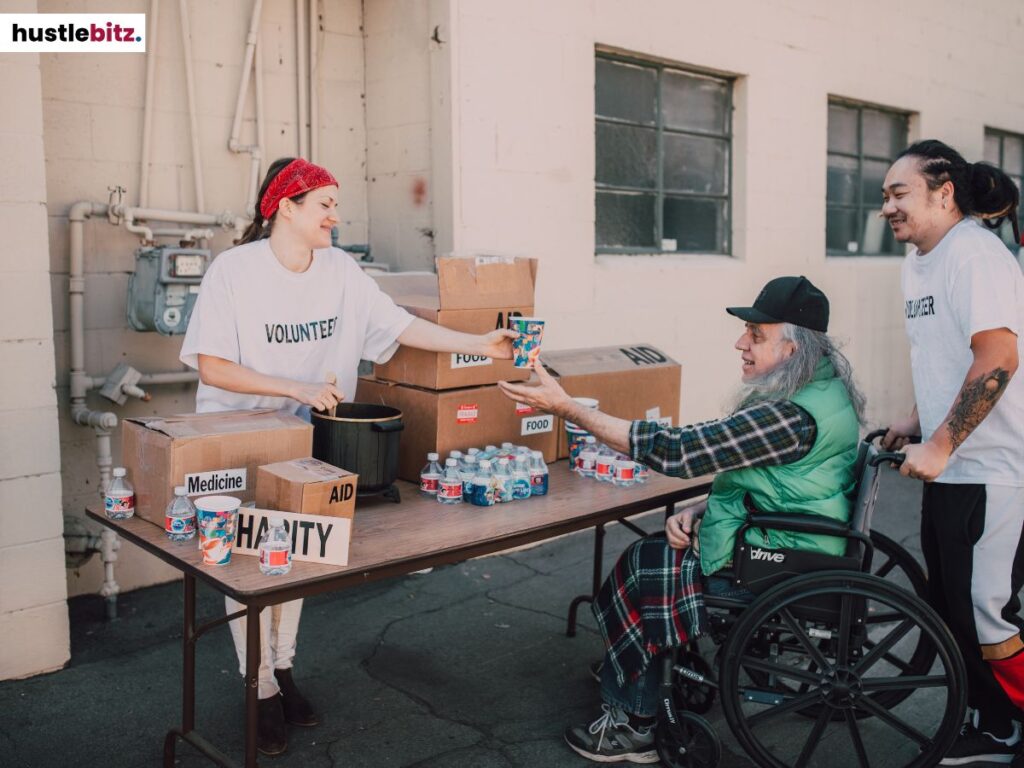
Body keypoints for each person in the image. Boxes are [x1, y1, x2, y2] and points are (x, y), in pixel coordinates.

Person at [180, 157, 516, 756]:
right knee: (244, 567)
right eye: (325, 204)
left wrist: (479, 344)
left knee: (295, 554)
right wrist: (296, 387)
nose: (336, 215)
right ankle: (258, 688)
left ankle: (283, 669)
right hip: (236, 438)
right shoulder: (234, 270)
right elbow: (213, 366)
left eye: (336, 204)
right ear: (286, 207)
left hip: (306, 442)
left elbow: (400, 326)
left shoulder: (341, 270)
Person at [498, 276, 864, 764]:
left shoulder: (789, 417)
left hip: (778, 558)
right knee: (653, 551)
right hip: (791, 538)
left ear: (792, 348)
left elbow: (677, 451)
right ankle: (635, 665)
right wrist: (703, 509)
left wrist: (567, 408)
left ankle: (635, 721)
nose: (740, 343)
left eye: (756, 335)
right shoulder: (822, 389)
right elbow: (784, 483)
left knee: (648, 567)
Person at [879, 139, 1024, 766]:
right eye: (885, 195)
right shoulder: (918, 261)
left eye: (899, 193)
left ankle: (1011, 721)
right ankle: (994, 725)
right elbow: (941, 353)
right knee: (951, 607)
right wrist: (917, 419)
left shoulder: (976, 256)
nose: (887, 207)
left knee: (987, 613)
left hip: (996, 468)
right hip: (951, 467)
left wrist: (939, 442)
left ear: (944, 194)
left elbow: (998, 357)